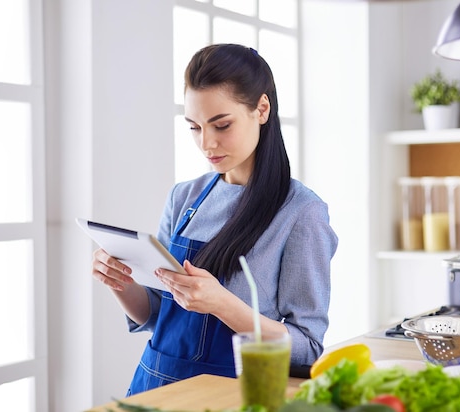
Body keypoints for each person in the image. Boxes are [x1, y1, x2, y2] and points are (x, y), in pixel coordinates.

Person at [91, 43, 338, 395]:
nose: (207, 144)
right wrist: (122, 282)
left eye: (221, 125)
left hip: (231, 395)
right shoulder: (184, 197)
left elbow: (307, 347)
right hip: (155, 388)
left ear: (262, 109)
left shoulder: (301, 213)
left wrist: (222, 304)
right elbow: (160, 315)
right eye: (194, 127)